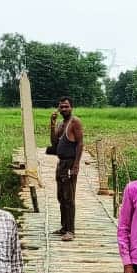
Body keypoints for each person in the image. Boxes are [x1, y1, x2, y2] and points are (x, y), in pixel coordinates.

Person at [49, 96, 83, 241]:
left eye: (66, 106)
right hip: (61, 164)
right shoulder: (61, 124)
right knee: (61, 197)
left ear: (71, 107)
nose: (63, 109)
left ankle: (70, 230)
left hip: (70, 163)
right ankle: (64, 227)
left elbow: (80, 143)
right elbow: (54, 143)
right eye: (61, 106)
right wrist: (52, 124)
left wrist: (76, 165)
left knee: (69, 198)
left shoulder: (75, 122)